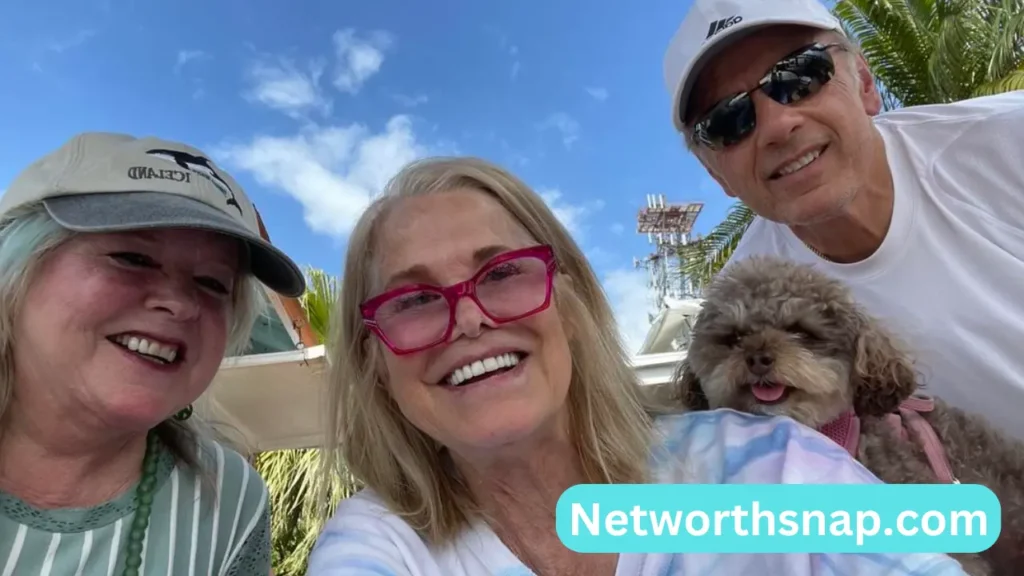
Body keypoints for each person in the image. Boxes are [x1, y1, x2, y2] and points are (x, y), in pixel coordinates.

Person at [305, 156, 967, 575]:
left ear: (572, 302)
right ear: (373, 361)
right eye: (415, 299)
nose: (471, 318)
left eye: (503, 273)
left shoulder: (772, 467)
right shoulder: (381, 547)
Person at [662, 0, 1024, 440]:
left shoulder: (1007, 141)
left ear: (865, 83)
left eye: (800, 75)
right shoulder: (739, 300)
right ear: (716, 174)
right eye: (727, 120)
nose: (777, 125)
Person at [0, 132, 306, 575]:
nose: (180, 303)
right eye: (132, 258)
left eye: (213, 283)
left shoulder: (229, 500)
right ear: (17, 269)